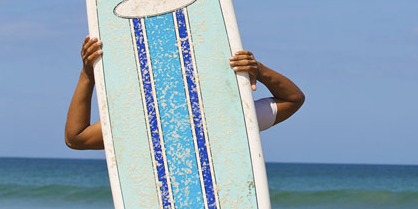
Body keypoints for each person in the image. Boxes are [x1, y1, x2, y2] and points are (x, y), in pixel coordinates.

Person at [65, 36, 305, 150]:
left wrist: (259, 70)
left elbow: (293, 100)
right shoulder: (147, 125)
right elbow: (76, 138)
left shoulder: (228, 116)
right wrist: (88, 74)